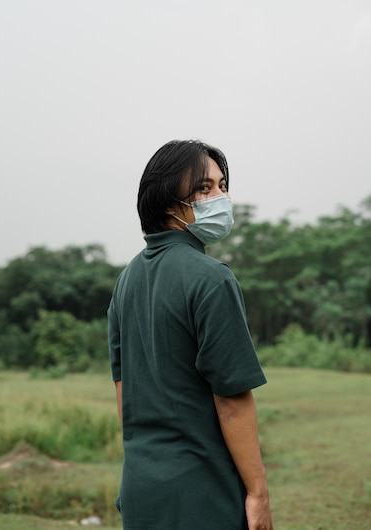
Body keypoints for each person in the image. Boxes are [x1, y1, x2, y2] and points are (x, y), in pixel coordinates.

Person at [108, 139, 273, 530]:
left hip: (141, 490)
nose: (221, 196)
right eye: (204, 188)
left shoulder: (125, 281)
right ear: (168, 202)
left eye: (222, 185)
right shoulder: (212, 279)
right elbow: (231, 399)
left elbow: (123, 391)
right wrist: (258, 493)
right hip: (202, 494)